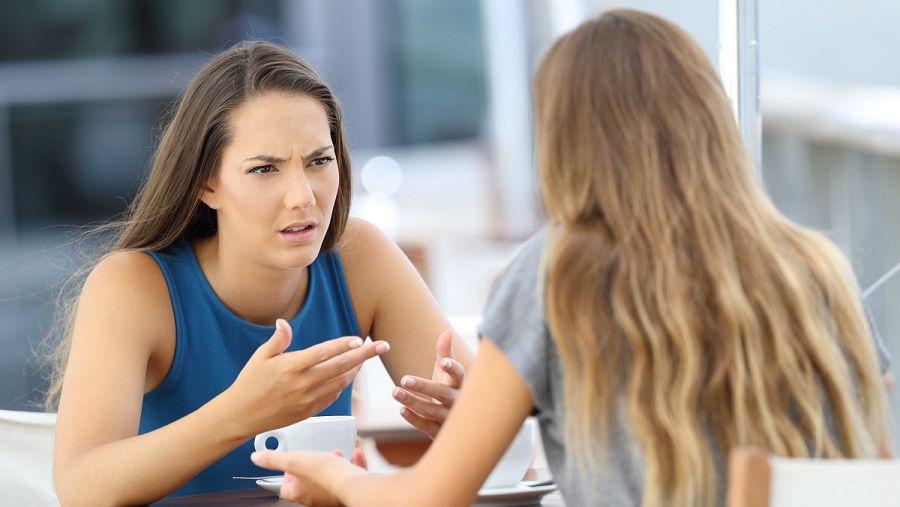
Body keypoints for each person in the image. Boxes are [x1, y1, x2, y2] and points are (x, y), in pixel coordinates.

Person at [251, 9, 894, 507]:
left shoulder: (560, 273)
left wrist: (337, 479)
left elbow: (428, 496)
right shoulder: (815, 269)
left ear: (566, 140)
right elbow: (873, 474)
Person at [46, 41, 473, 506]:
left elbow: (500, 434)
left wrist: (468, 423)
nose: (303, 196)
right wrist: (242, 412)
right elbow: (80, 486)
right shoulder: (132, 286)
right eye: (265, 169)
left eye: (319, 161)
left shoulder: (361, 256)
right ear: (207, 183)